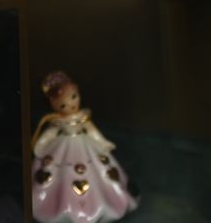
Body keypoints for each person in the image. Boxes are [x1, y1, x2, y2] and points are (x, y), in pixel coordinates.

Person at [31, 71, 139, 223]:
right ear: (54, 106)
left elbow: (93, 132)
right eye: (63, 104)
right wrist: (41, 147)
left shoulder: (83, 117)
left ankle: (107, 200)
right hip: (63, 146)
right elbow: (48, 136)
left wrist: (103, 143)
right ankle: (59, 205)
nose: (71, 104)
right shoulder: (57, 122)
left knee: (100, 170)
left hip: (85, 145)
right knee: (58, 175)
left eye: (74, 97)